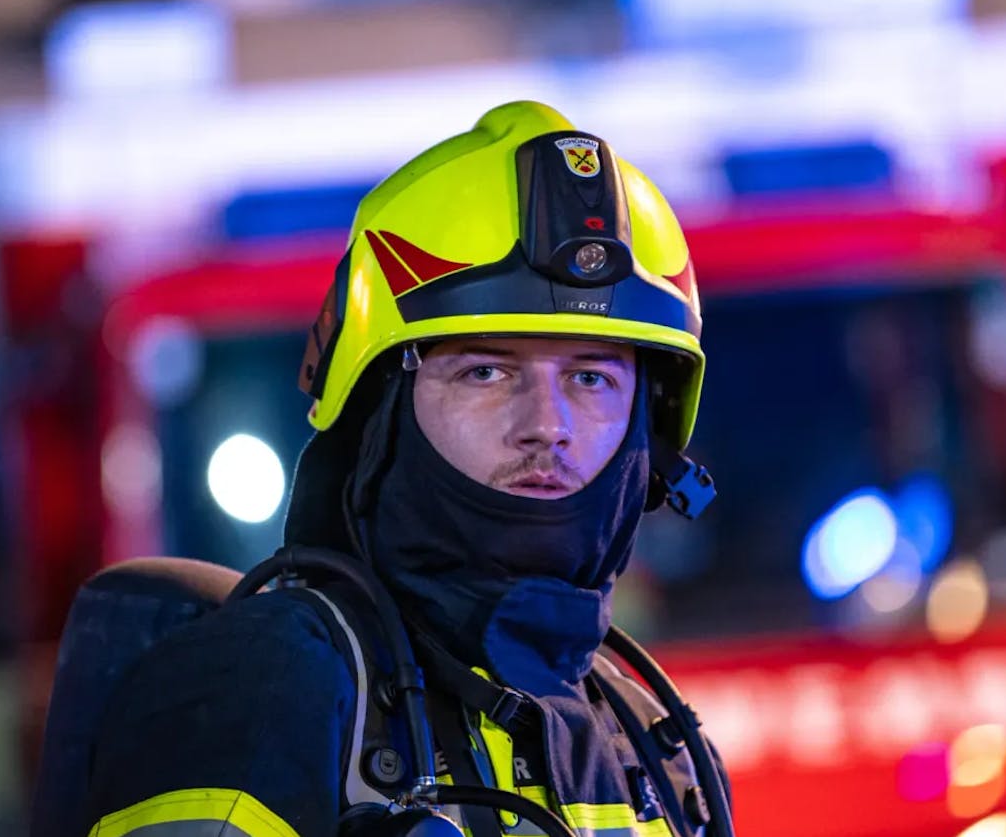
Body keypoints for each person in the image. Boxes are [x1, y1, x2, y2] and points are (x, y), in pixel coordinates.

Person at [81, 101, 726, 837]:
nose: (548, 425)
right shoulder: (260, 687)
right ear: (378, 407)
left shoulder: (658, 743)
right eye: (485, 371)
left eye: (591, 378)